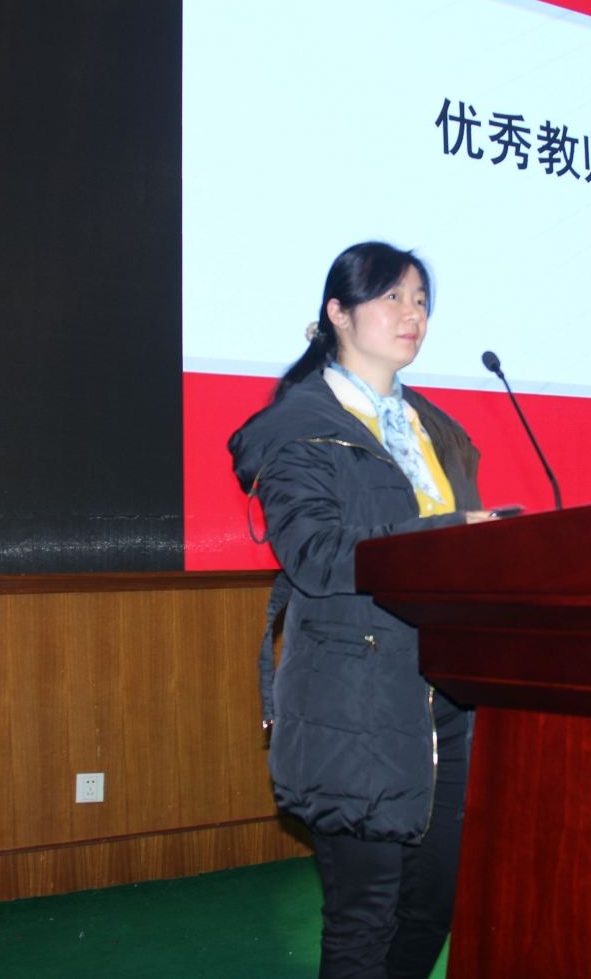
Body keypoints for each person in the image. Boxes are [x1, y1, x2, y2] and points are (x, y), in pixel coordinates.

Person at [228, 241, 496, 979]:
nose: (413, 314)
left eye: (421, 300)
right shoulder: (300, 425)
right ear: (338, 313)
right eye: (392, 297)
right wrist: (447, 534)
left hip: (447, 695)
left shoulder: (437, 430)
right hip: (354, 700)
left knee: (432, 905)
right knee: (365, 916)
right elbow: (315, 553)